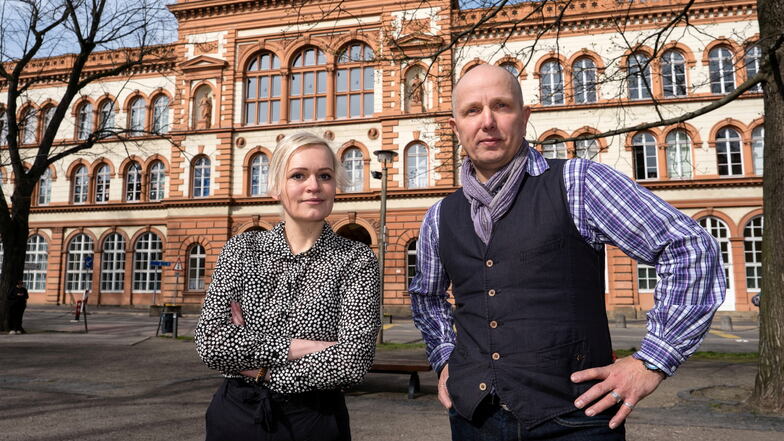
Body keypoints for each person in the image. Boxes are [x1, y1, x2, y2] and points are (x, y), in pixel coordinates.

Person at [409, 64, 725, 440]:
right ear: (455, 126)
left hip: (574, 420)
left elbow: (690, 247)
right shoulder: (439, 216)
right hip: (474, 422)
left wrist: (652, 360)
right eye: (472, 110)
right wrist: (444, 357)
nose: (488, 121)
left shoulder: (579, 182)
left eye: (501, 106)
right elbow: (426, 297)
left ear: (525, 117)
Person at [195, 131, 381, 441]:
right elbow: (211, 343)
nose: (314, 186)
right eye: (298, 175)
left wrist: (261, 368)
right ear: (276, 188)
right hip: (236, 417)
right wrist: (303, 346)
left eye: (325, 175)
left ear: (335, 186)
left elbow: (353, 360)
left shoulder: (356, 260)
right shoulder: (241, 250)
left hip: (314, 421)